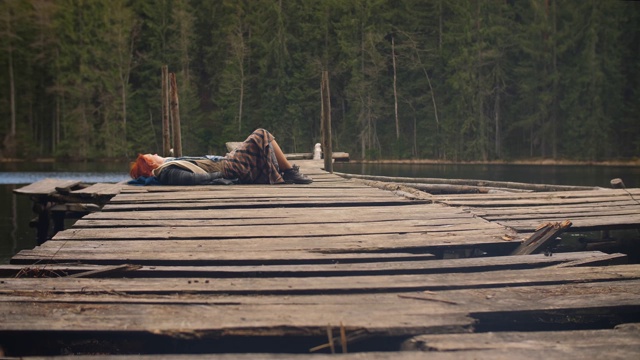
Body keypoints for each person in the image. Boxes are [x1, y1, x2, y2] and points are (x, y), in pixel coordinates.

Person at [129, 128, 313, 185]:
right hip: (225, 169)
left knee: (252, 144)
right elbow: (193, 178)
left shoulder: (168, 165)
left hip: (222, 163)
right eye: (150, 155)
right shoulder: (166, 171)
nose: (154, 153)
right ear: (151, 163)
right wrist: (224, 177)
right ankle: (288, 172)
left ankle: (281, 171)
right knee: (260, 134)